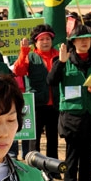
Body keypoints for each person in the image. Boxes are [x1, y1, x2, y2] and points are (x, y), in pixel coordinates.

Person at [47, 25, 91, 181]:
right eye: (80, 39)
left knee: (88, 159)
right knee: (72, 158)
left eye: (87, 39)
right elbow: (51, 81)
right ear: (73, 42)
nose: (84, 42)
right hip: (72, 117)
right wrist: (61, 62)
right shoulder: (64, 60)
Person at [12, 24, 60, 162]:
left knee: (53, 137)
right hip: (36, 104)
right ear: (36, 42)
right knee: (35, 138)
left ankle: (53, 166)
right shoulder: (30, 56)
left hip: (55, 103)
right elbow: (18, 71)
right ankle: (35, 166)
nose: (45, 42)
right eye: (41, 39)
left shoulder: (58, 55)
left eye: (48, 39)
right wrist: (23, 52)